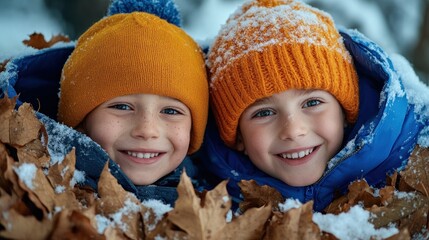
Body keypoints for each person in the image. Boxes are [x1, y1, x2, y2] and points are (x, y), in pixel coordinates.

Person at [202, 0, 429, 212]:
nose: (293, 130)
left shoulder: (414, 164)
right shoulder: (211, 203)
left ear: (344, 111)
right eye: (264, 112)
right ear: (239, 137)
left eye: (312, 102)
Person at [1, 0, 209, 206]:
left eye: (171, 111)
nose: (147, 130)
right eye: (122, 107)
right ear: (80, 120)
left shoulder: (216, 197)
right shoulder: (31, 192)